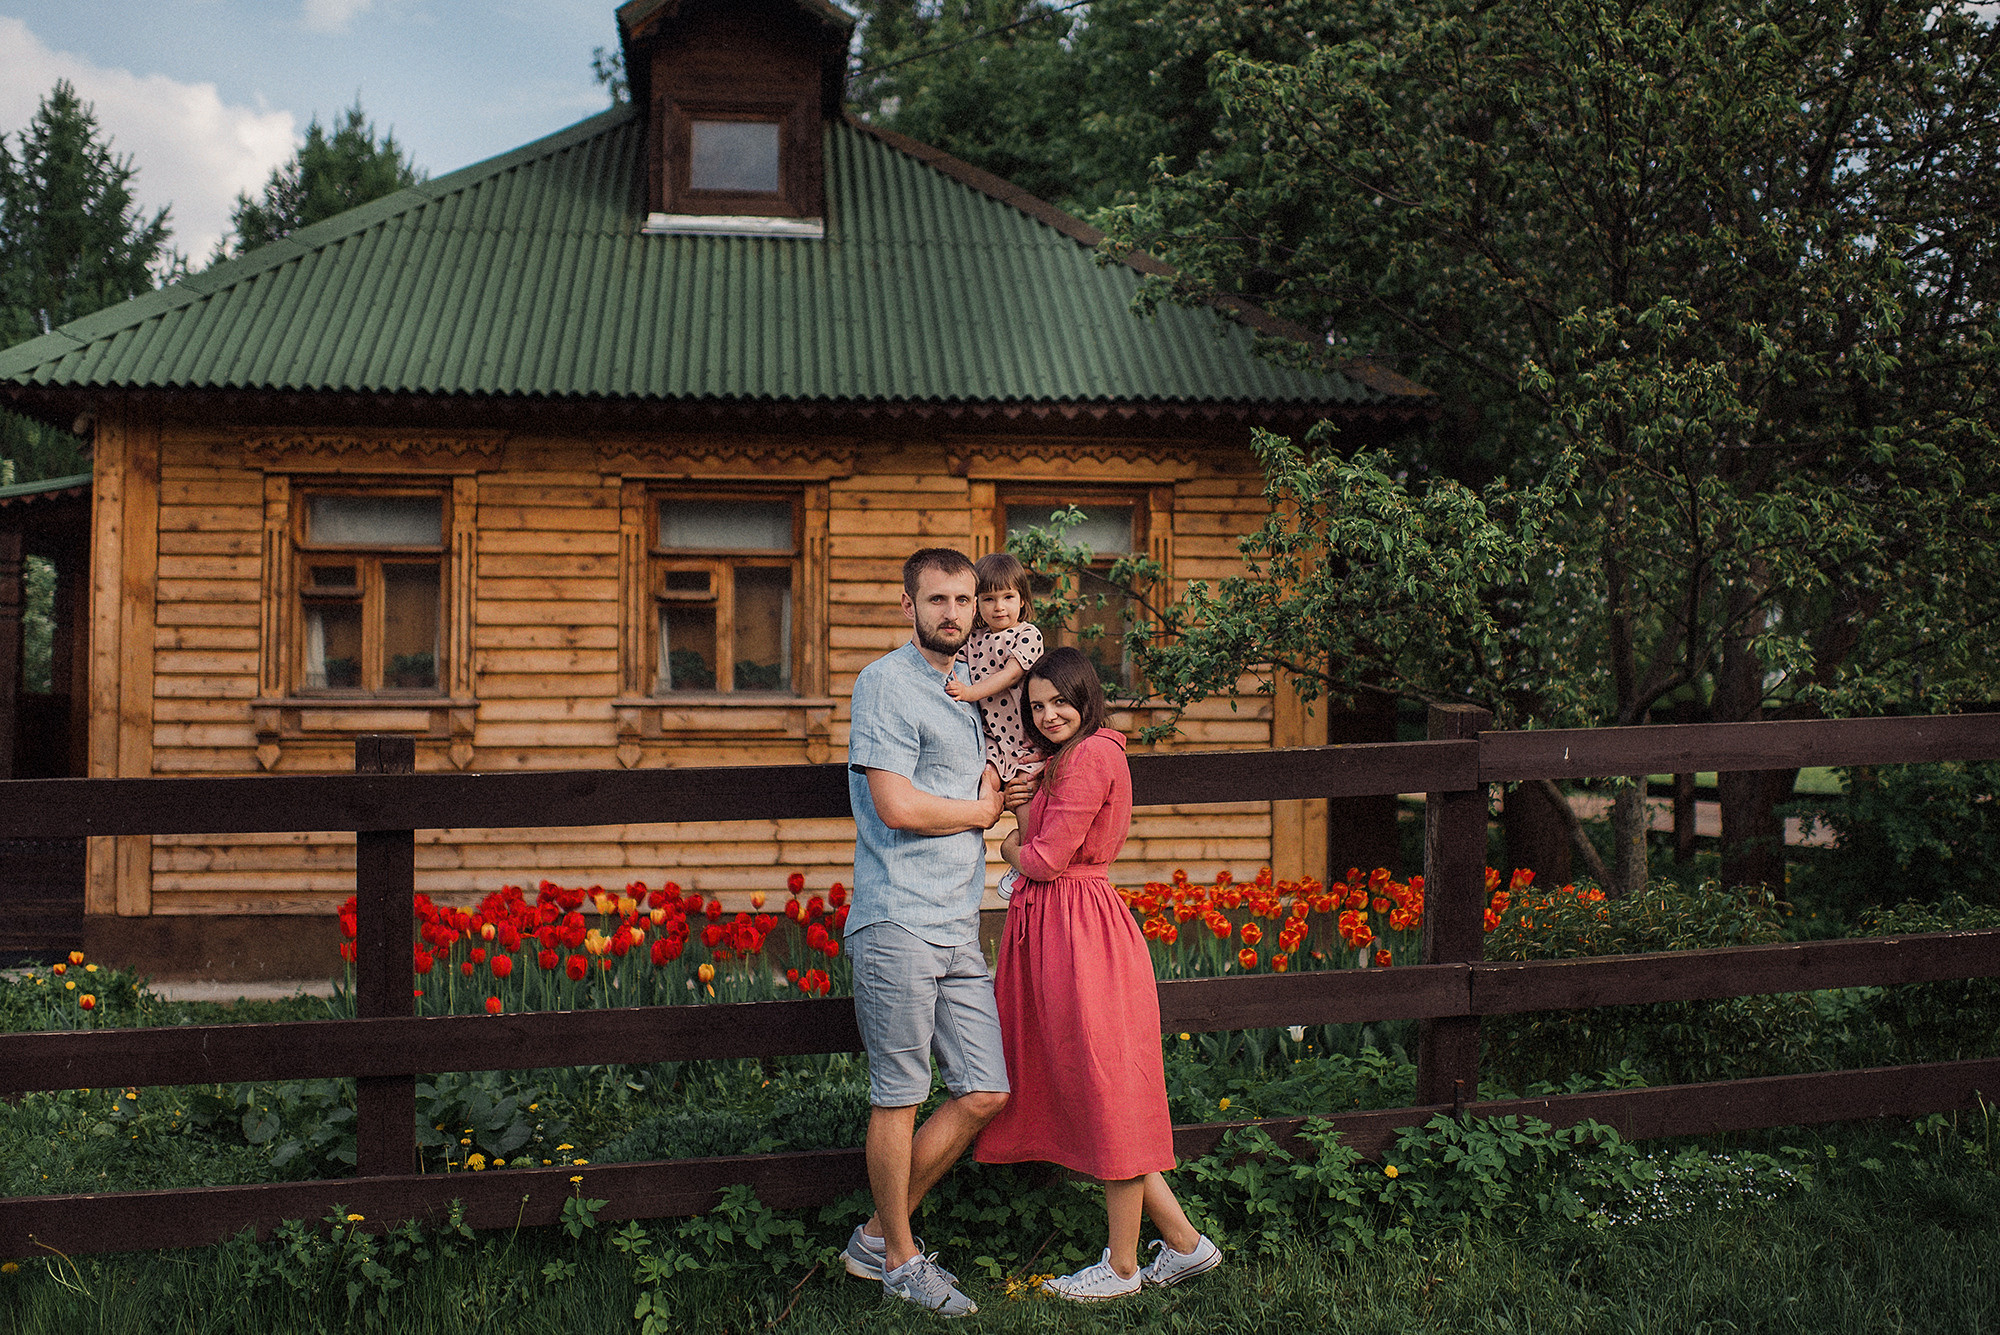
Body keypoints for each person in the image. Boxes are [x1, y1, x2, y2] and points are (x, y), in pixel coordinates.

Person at [976, 646, 1221, 1301]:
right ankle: (1186, 1246)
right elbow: (1040, 843)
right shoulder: (1063, 758)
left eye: (1061, 701)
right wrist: (1023, 813)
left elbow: (1044, 858)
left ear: (1086, 698)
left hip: (1080, 928)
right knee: (1094, 1090)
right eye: (1037, 706)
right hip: (1059, 924)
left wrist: (1008, 842)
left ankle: (1121, 1268)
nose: (1049, 714)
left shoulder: (1091, 756)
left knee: (1108, 1092)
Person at [838, 547, 1011, 1317]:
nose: (953, 612)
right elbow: (897, 805)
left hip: (957, 922)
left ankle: (877, 1235)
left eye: (964, 599)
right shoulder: (885, 682)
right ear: (907, 604)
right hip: (897, 917)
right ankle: (903, 1261)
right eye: (937, 598)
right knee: (899, 1095)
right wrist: (981, 811)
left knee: (985, 1089)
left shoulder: (972, 689)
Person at [943, 552, 1044, 901]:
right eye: (988, 599)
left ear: (1022, 600)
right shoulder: (973, 640)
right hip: (993, 739)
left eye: (1008, 597)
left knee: (1023, 798)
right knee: (983, 783)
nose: (999, 607)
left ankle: (1024, 859)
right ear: (977, 605)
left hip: (1026, 738)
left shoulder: (1027, 635)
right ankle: (968, 857)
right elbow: (950, 663)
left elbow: (1010, 675)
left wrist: (970, 692)